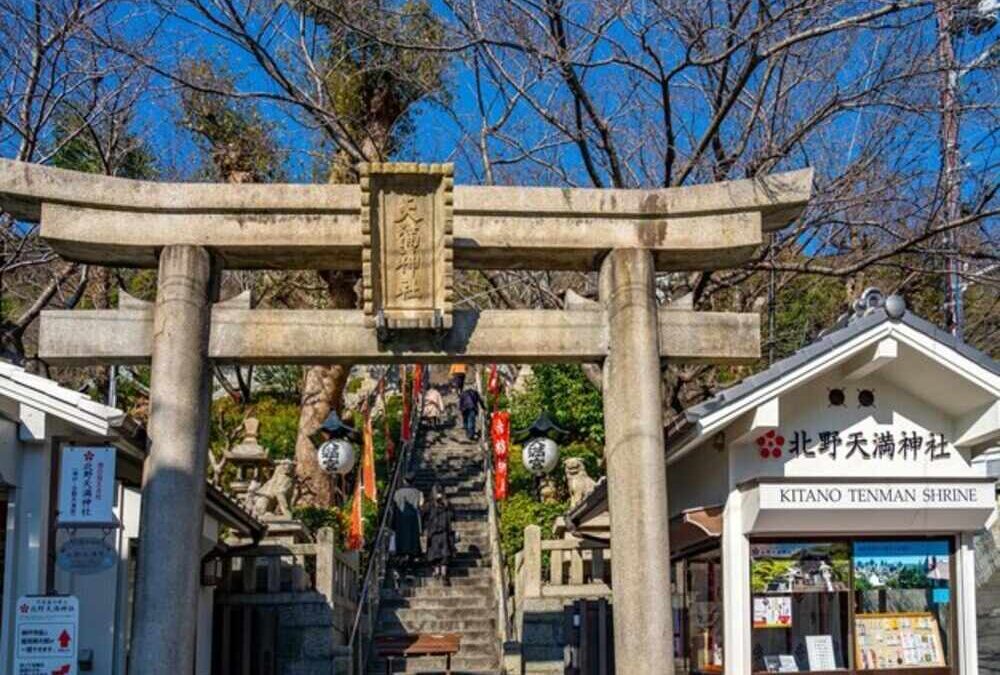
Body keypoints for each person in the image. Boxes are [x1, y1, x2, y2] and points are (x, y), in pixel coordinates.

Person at [391, 474, 424, 575]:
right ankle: (410, 564)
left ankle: (401, 563)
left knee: (401, 541)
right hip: (413, 522)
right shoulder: (418, 493)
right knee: (412, 542)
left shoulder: (397, 493)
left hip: (400, 522)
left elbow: (394, 507)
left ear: (404, 481)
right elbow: (421, 506)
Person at [424, 484, 454, 582]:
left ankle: (437, 571)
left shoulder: (430, 504)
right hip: (444, 532)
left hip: (434, 532)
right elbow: (452, 516)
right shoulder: (447, 504)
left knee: (435, 553)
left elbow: (424, 515)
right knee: (444, 553)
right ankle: (444, 573)